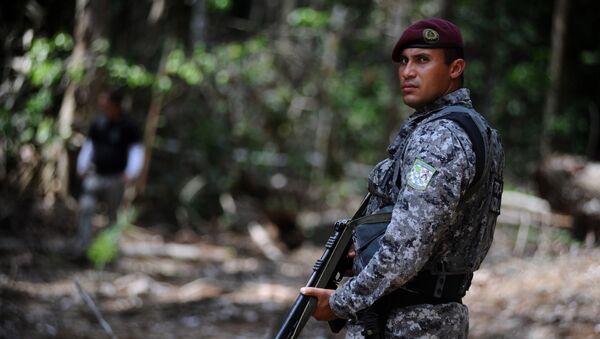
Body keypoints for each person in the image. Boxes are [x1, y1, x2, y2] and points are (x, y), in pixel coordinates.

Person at [301, 18, 504, 338]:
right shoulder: (476, 129)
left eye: (423, 60)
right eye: (404, 61)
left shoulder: (441, 136)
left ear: (455, 68)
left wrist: (341, 302)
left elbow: (406, 250)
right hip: (427, 317)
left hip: (403, 323)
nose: (408, 71)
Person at [75, 87, 144, 256]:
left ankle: (107, 251)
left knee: (112, 215)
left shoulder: (129, 126)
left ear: (115, 104)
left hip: (116, 177)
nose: (103, 106)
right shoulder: (98, 123)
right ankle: (83, 248)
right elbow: (89, 145)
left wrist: (131, 172)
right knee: (86, 208)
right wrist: (82, 165)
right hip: (95, 174)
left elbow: (136, 151)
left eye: (106, 102)